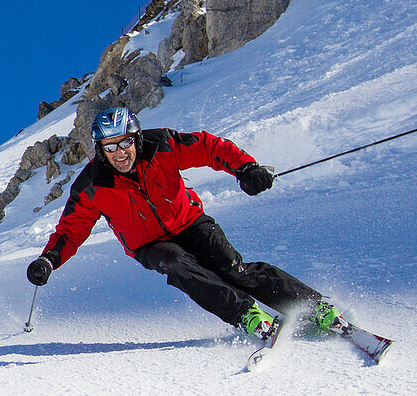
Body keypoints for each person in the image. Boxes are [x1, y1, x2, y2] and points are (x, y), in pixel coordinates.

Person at [26, 107, 345, 339]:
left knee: (233, 270)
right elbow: (71, 230)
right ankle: (247, 315)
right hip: (150, 245)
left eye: (125, 143)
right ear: (100, 149)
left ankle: (314, 308)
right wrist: (49, 260)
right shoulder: (92, 186)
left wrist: (246, 169)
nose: (120, 153)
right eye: (110, 147)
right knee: (176, 263)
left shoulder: (162, 146)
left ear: (136, 138)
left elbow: (210, 147)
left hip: (190, 222)